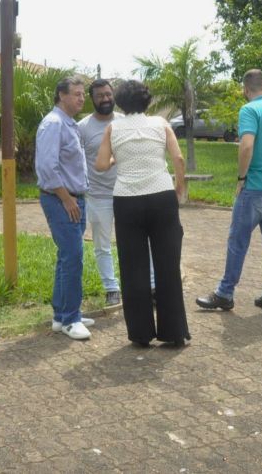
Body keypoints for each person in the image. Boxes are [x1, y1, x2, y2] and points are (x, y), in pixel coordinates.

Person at [96, 79, 190, 347]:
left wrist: (116, 158)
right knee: (167, 265)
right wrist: (179, 186)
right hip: (161, 196)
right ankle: (174, 333)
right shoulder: (161, 124)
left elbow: (101, 164)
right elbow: (178, 158)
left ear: (120, 102)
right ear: (147, 100)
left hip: (127, 201)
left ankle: (140, 334)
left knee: (133, 267)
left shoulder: (113, 129)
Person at [196, 69, 262, 312]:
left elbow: (246, 146)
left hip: (256, 186)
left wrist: (241, 177)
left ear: (246, 90)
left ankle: (225, 293)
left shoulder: (249, 110)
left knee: (238, 239)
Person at [35, 75, 94, 341]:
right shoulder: (54, 123)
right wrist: (66, 198)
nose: (82, 99)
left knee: (67, 256)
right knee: (73, 257)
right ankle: (71, 319)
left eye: (83, 94)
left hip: (74, 198)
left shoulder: (69, 123)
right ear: (62, 95)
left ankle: (61, 316)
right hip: (61, 199)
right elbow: (47, 167)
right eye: (77, 94)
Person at [76, 79, 122, 306]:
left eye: (108, 94)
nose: (105, 99)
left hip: (126, 192)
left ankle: (149, 285)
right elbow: (77, 161)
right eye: (100, 96)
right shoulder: (83, 127)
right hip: (97, 195)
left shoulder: (124, 122)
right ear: (92, 99)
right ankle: (111, 288)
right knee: (102, 245)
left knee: (134, 242)